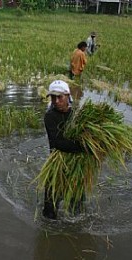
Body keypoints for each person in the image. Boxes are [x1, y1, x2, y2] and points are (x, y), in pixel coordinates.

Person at [43, 80, 85, 219]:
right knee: (50, 209)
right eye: (53, 98)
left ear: (68, 96)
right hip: (56, 165)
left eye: (59, 97)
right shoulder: (50, 116)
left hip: (76, 165)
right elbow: (57, 143)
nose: (56, 101)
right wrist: (82, 147)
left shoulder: (77, 115)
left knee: (77, 206)